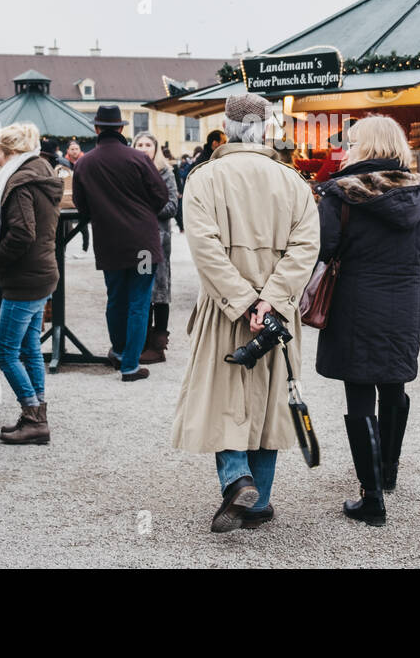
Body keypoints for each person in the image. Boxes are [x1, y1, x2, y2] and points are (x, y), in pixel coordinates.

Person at [171, 93, 320, 533]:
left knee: (222, 397)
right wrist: (269, 300)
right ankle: (259, 502)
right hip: (277, 313)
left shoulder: (204, 178)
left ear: (228, 127)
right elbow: (306, 248)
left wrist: (242, 301)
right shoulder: (292, 181)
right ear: (266, 127)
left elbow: (204, 249)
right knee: (271, 401)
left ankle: (237, 478)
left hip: (224, 310)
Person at [313, 116, 420, 526]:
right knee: (393, 383)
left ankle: (371, 497)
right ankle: (388, 473)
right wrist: (411, 290)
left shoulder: (339, 195)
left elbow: (323, 248)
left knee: (358, 392)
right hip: (405, 301)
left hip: (355, 301)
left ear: (363, 147)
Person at [73, 106, 168, 380]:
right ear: (122, 129)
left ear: (96, 129)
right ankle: (130, 365)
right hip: (142, 244)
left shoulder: (84, 163)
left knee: (115, 299)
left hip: (109, 242)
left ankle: (118, 351)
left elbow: (82, 207)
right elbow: (160, 195)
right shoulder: (138, 158)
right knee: (139, 301)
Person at [0, 123, 62, 445]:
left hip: (25, 276)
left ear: (11, 153)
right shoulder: (41, 172)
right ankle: (37, 414)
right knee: (30, 347)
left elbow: (21, 232)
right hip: (42, 271)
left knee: (5, 353)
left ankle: (33, 415)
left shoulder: (19, 182)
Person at [132, 130, 179, 364]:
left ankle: (158, 346)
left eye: (147, 144)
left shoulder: (165, 172)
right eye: (139, 144)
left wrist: (144, 210)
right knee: (142, 289)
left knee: (160, 290)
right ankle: (141, 341)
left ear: (155, 148)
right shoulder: (129, 171)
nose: (143, 148)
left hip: (159, 240)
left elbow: (172, 206)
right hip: (137, 241)